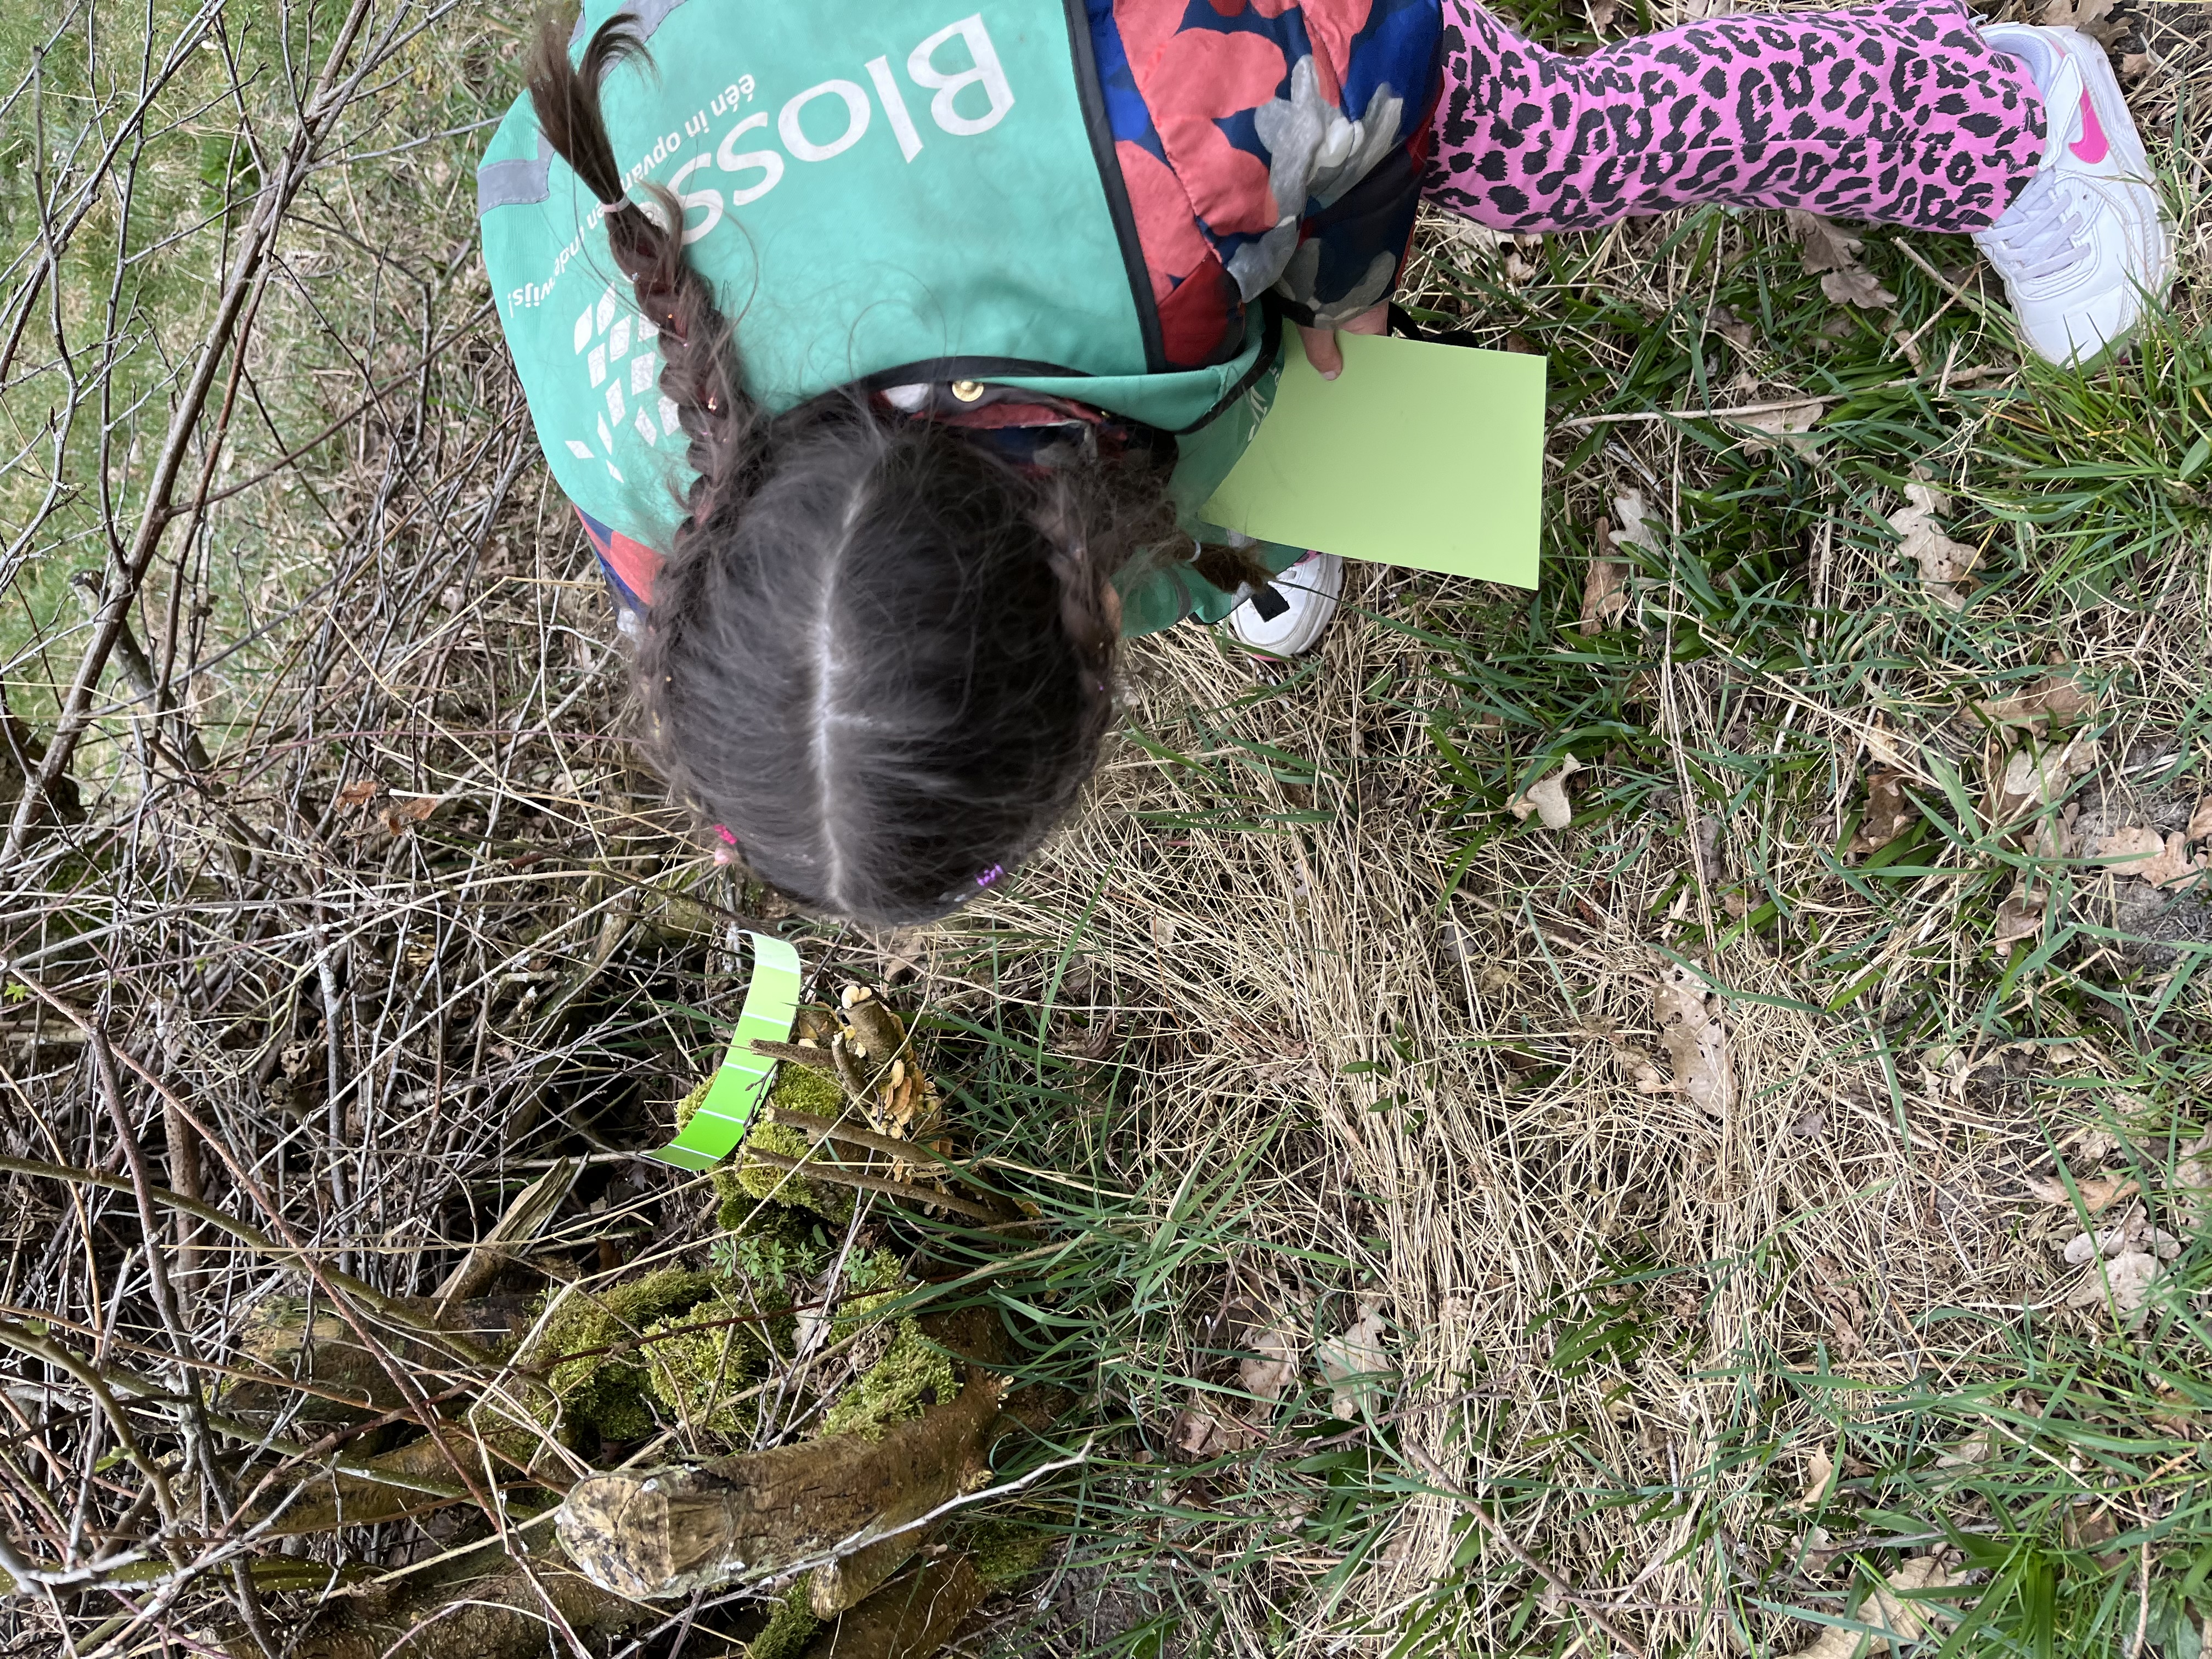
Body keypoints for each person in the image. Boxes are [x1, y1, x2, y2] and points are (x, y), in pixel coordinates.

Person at [479, 1, 2170, 926]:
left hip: (1132, 70)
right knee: (1228, 385)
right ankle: (1238, 464)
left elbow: (1377, 83)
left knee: (1558, 146)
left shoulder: (1193, 105)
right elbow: (730, 633)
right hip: (928, 167)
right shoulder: (617, 404)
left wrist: (1333, 303)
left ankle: (2010, 117)